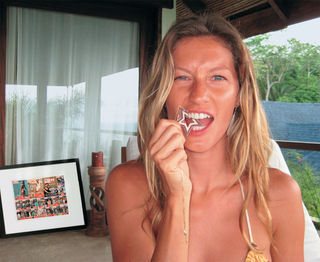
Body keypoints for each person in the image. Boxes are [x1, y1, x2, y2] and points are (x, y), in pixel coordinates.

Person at [106, 14, 304, 261]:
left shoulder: (279, 193)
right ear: (164, 94)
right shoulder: (127, 185)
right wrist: (178, 197)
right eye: (182, 77)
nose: (198, 95)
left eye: (217, 77)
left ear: (239, 95)